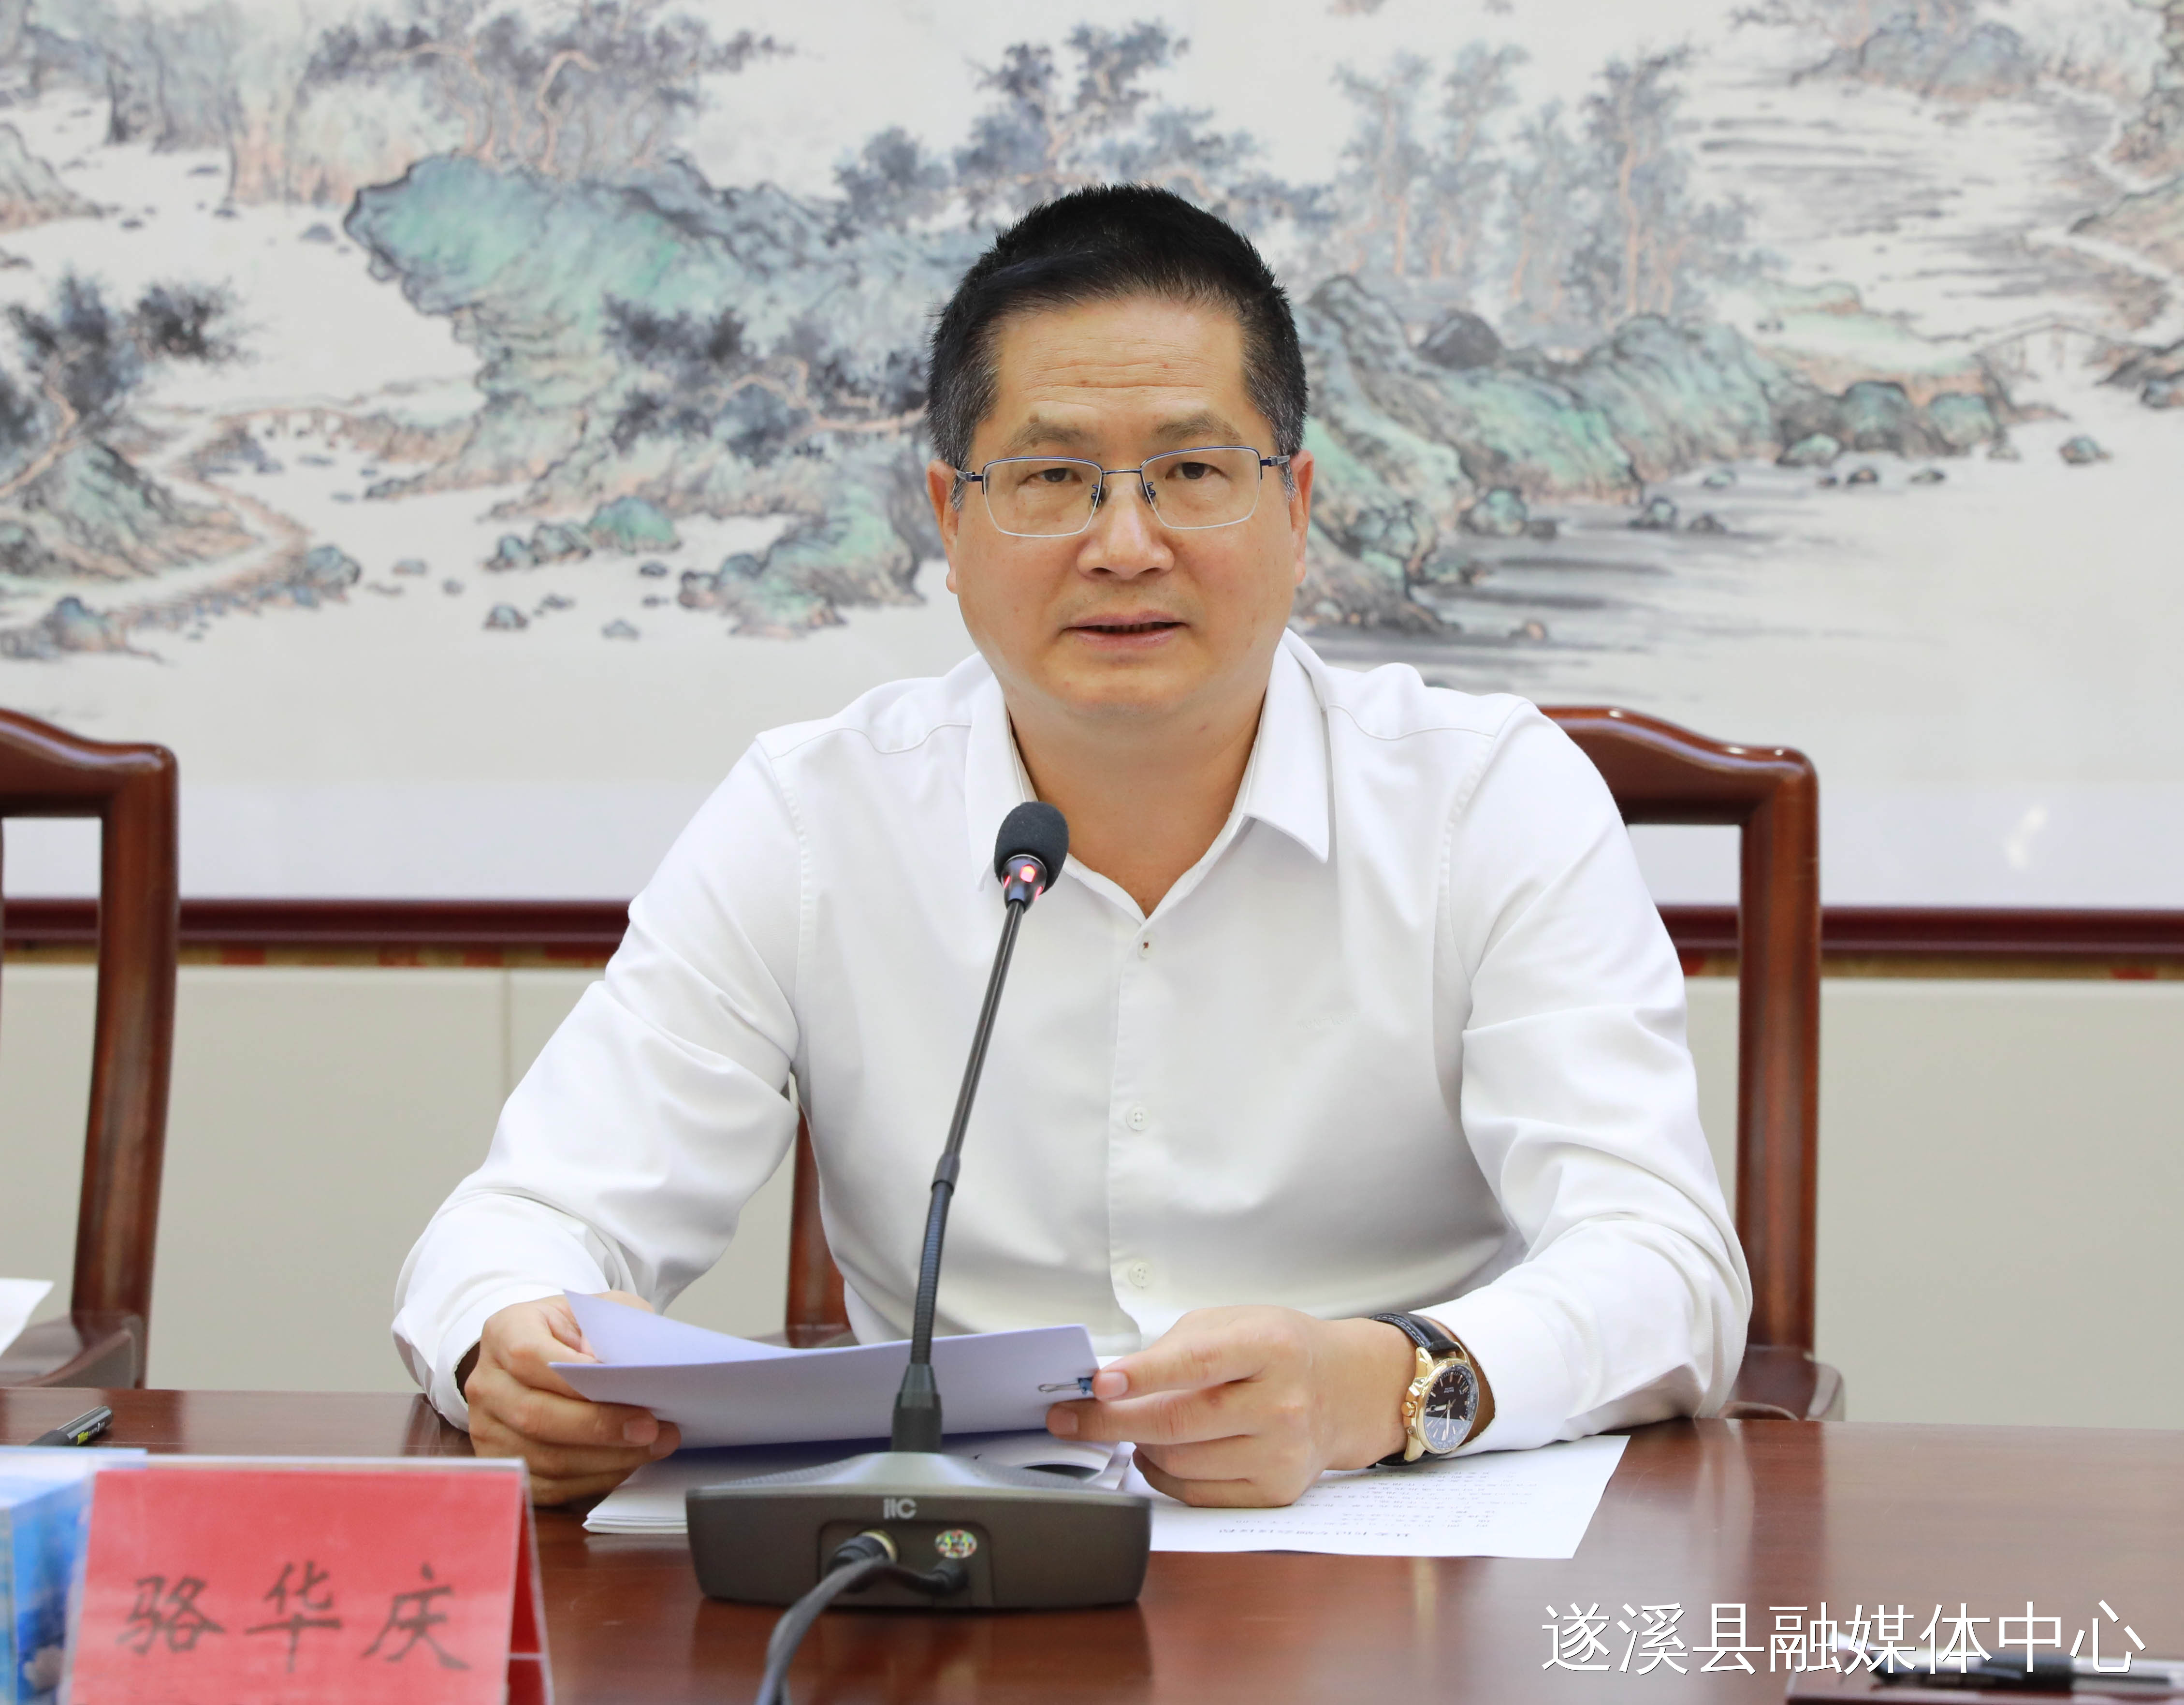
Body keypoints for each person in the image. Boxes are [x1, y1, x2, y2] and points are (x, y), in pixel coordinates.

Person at [394, 185, 1748, 1507]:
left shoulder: (1488, 799)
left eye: (1193, 473)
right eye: (1052, 479)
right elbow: (526, 1218)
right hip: (934, 1563)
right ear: (951, 519)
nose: (1125, 544)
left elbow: (1664, 1265)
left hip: (1392, 1548)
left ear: (1296, 507)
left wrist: (1378, 1391)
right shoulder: (814, 816)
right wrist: (507, 1348)